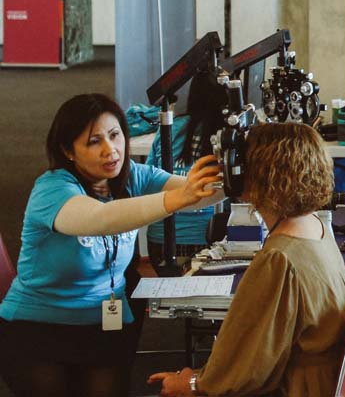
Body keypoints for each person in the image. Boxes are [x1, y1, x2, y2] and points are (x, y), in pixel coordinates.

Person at [0, 93, 222, 397]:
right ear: (68, 151)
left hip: (104, 323)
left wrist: (233, 175)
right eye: (94, 141)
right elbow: (101, 218)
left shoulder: (132, 175)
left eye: (115, 135)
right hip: (39, 327)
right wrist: (177, 199)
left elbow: (203, 194)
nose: (111, 150)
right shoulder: (51, 189)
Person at [150, 122, 345, 396]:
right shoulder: (316, 228)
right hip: (323, 381)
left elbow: (249, 371)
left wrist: (191, 383)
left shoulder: (279, 259)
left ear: (255, 174)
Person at [146, 73, 228, 274]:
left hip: (160, 242)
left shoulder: (169, 129)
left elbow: (148, 179)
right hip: (205, 240)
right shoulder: (227, 135)